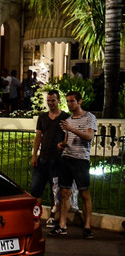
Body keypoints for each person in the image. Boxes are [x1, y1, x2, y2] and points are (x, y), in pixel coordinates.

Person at [50, 91, 97, 239]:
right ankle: (62, 225)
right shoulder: (68, 119)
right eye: (68, 101)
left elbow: (89, 137)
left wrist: (72, 129)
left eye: (72, 101)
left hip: (81, 160)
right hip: (67, 158)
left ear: (79, 101)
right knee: (64, 193)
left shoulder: (89, 118)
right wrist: (61, 144)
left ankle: (87, 226)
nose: (70, 104)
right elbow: (67, 139)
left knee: (84, 193)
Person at [31, 90, 71, 228]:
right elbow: (38, 137)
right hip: (43, 158)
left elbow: (68, 135)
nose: (50, 103)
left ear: (59, 101)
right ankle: (35, 216)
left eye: (53, 100)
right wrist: (34, 155)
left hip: (58, 159)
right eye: (48, 100)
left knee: (56, 190)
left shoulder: (66, 117)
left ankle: (53, 217)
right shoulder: (42, 117)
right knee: (36, 189)